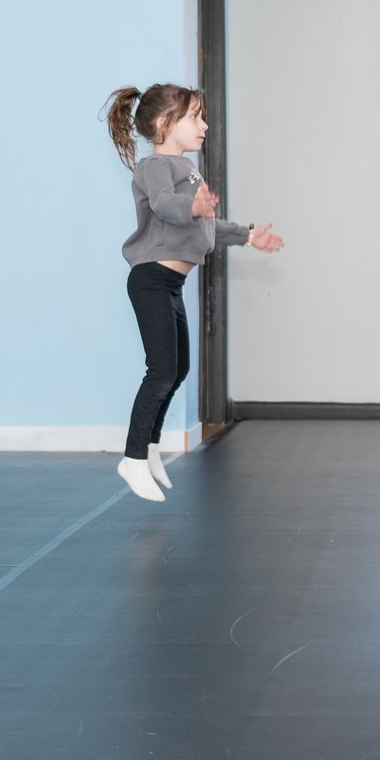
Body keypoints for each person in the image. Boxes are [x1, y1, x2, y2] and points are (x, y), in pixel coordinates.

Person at [105, 84, 283, 502]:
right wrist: (193, 208)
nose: (204, 126)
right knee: (161, 370)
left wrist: (248, 234)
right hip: (150, 279)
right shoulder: (155, 167)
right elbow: (167, 207)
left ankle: (149, 449)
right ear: (166, 125)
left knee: (179, 368)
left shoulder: (189, 172)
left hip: (171, 283)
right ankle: (131, 459)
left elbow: (204, 228)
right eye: (195, 117)